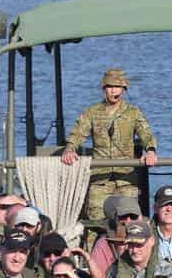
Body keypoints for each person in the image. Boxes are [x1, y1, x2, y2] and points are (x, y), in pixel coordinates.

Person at [61, 68, 159, 240]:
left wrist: (150, 150)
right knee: (95, 224)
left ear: (124, 89)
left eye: (117, 86)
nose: (113, 90)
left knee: (131, 224)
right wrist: (70, 148)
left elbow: (146, 133)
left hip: (126, 177)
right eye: (110, 86)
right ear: (104, 88)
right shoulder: (93, 112)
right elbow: (78, 133)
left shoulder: (133, 113)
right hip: (100, 178)